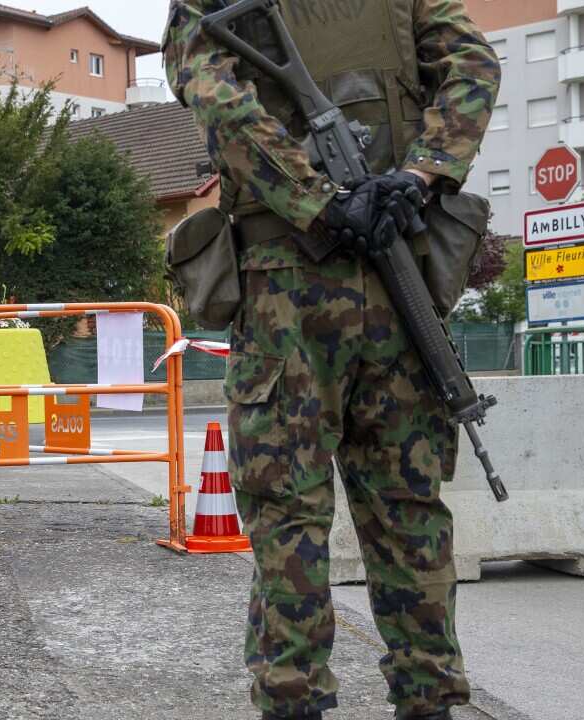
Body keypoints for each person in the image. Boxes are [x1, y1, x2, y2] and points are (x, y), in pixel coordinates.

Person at [163, 1, 500, 719]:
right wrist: (418, 175)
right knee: (408, 514)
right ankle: (430, 698)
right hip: (392, 275)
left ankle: (298, 702)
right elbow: (472, 66)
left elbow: (217, 99)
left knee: (292, 517)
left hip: (295, 293)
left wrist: (325, 202)